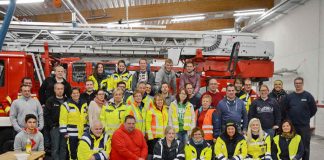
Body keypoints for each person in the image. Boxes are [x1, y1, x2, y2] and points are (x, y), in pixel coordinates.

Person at [282, 77, 317, 160]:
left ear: (302, 84)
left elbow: (313, 109)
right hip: (292, 126)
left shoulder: (308, 96)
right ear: (294, 84)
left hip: (304, 126)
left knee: (305, 147)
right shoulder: (289, 97)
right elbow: (285, 109)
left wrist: (305, 117)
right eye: (296, 83)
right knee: (291, 145)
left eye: (299, 83)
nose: (298, 84)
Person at [59, 87, 88, 160]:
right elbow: (62, 120)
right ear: (71, 95)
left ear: (79, 94)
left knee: (83, 152)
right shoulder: (66, 105)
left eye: (77, 93)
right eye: (74, 93)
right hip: (72, 134)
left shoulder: (84, 104)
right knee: (73, 153)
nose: (76, 95)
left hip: (84, 133)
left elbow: (87, 117)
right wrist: (64, 132)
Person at [44, 83, 67, 160]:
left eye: (61, 89)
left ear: (63, 90)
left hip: (65, 128)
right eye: (58, 89)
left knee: (64, 148)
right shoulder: (50, 100)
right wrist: (52, 126)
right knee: (55, 148)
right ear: (54, 90)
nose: (60, 91)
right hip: (55, 127)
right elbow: (46, 115)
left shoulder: (67, 100)